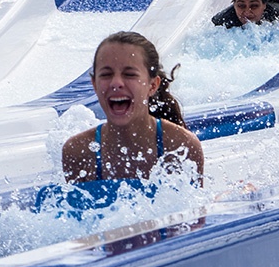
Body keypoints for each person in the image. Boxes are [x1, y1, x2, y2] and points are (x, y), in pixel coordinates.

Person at [62, 31, 204, 186]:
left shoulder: (180, 146)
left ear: (153, 85)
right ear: (94, 84)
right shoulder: (79, 151)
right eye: (106, 74)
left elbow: (198, 209)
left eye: (129, 74)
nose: (116, 83)